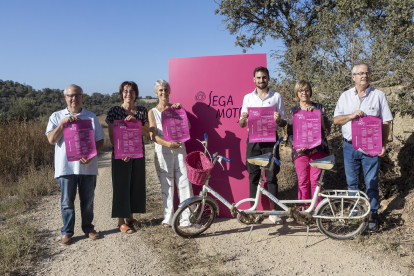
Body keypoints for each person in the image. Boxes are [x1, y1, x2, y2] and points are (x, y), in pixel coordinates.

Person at [334, 63, 393, 232]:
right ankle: (356, 215)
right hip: (349, 147)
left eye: (367, 73)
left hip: (371, 148)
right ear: (353, 77)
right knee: (352, 184)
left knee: (371, 183)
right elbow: (337, 120)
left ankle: (373, 216)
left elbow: (386, 122)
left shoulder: (379, 95)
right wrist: (351, 116)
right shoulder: (345, 96)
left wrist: (383, 145)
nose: (364, 76)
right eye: (361, 73)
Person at [46, 84, 105, 245]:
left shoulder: (91, 116)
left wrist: (93, 155)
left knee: (88, 201)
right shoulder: (56, 116)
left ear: (82, 97)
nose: (74, 98)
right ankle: (67, 232)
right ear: (65, 97)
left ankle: (88, 228)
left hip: (88, 168)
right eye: (70, 95)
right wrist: (63, 124)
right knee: (67, 202)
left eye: (77, 95)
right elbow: (51, 139)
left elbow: (100, 140)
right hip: (65, 168)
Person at [239, 66, 287, 224]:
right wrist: (244, 119)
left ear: (268, 78)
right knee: (253, 177)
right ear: (254, 79)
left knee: (272, 177)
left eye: (264, 77)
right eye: (258, 78)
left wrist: (279, 119)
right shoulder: (248, 98)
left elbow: (283, 123)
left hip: (271, 141)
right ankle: (254, 212)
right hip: (253, 141)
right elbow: (240, 124)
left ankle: (274, 212)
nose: (261, 80)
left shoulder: (277, 97)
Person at [148, 79, 194, 227]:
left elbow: (188, 127)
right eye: (160, 90)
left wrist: (181, 112)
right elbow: (152, 136)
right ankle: (168, 218)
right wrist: (168, 144)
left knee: (184, 183)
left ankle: (187, 218)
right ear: (156, 93)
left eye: (166, 89)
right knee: (166, 185)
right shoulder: (152, 112)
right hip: (163, 152)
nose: (163, 92)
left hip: (180, 150)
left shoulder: (177, 109)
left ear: (170, 91)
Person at [106, 81, 149, 234]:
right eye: (125, 91)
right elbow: (112, 136)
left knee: (135, 185)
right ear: (121, 93)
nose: (128, 94)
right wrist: (122, 152)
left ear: (136, 94)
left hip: (138, 153)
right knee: (121, 186)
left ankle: (131, 217)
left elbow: (146, 132)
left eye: (131, 91)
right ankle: (121, 221)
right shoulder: (114, 111)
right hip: (120, 155)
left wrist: (136, 123)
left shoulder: (142, 111)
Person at [287, 80, 331, 208]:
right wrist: (296, 146)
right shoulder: (293, 111)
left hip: (318, 150)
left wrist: (317, 114)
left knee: (316, 181)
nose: (304, 93)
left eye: (306, 90)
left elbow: (327, 129)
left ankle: (317, 210)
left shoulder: (319, 107)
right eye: (301, 90)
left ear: (310, 91)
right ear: (297, 93)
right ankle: (304, 211)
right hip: (300, 151)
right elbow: (290, 134)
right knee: (302, 181)